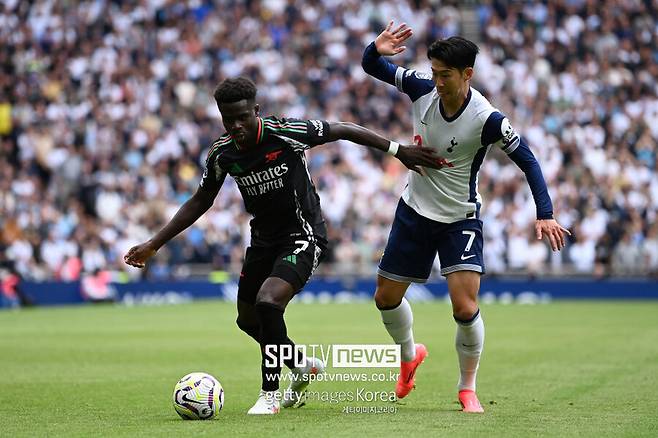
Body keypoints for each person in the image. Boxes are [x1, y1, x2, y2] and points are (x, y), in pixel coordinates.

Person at [124, 77, 440, 415]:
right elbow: (202, 199)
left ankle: (269, 395)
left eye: (242, 117)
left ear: (256, 111)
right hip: (262, 240)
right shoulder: (222, 153)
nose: (236, 126)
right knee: (247, 321)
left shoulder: (285, 131)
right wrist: (154, 243)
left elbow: (343, 129)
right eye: (228, 119)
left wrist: (397, 150)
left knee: (268, 302)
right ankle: (301, 364)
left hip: (303, 234)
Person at [362, 22, 571, 412]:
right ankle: (409, 355)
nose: (437, 81)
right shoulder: (421, 88)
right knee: (385, 298)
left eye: (445, 75)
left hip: (460, 217)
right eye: (435, 73)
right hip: (414, 210)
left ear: (467, 75)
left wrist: (545, 213)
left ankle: (466, 388)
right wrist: (376, 48)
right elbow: (372, 66)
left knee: (464, 306)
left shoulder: (488, 119)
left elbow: (528, 160)